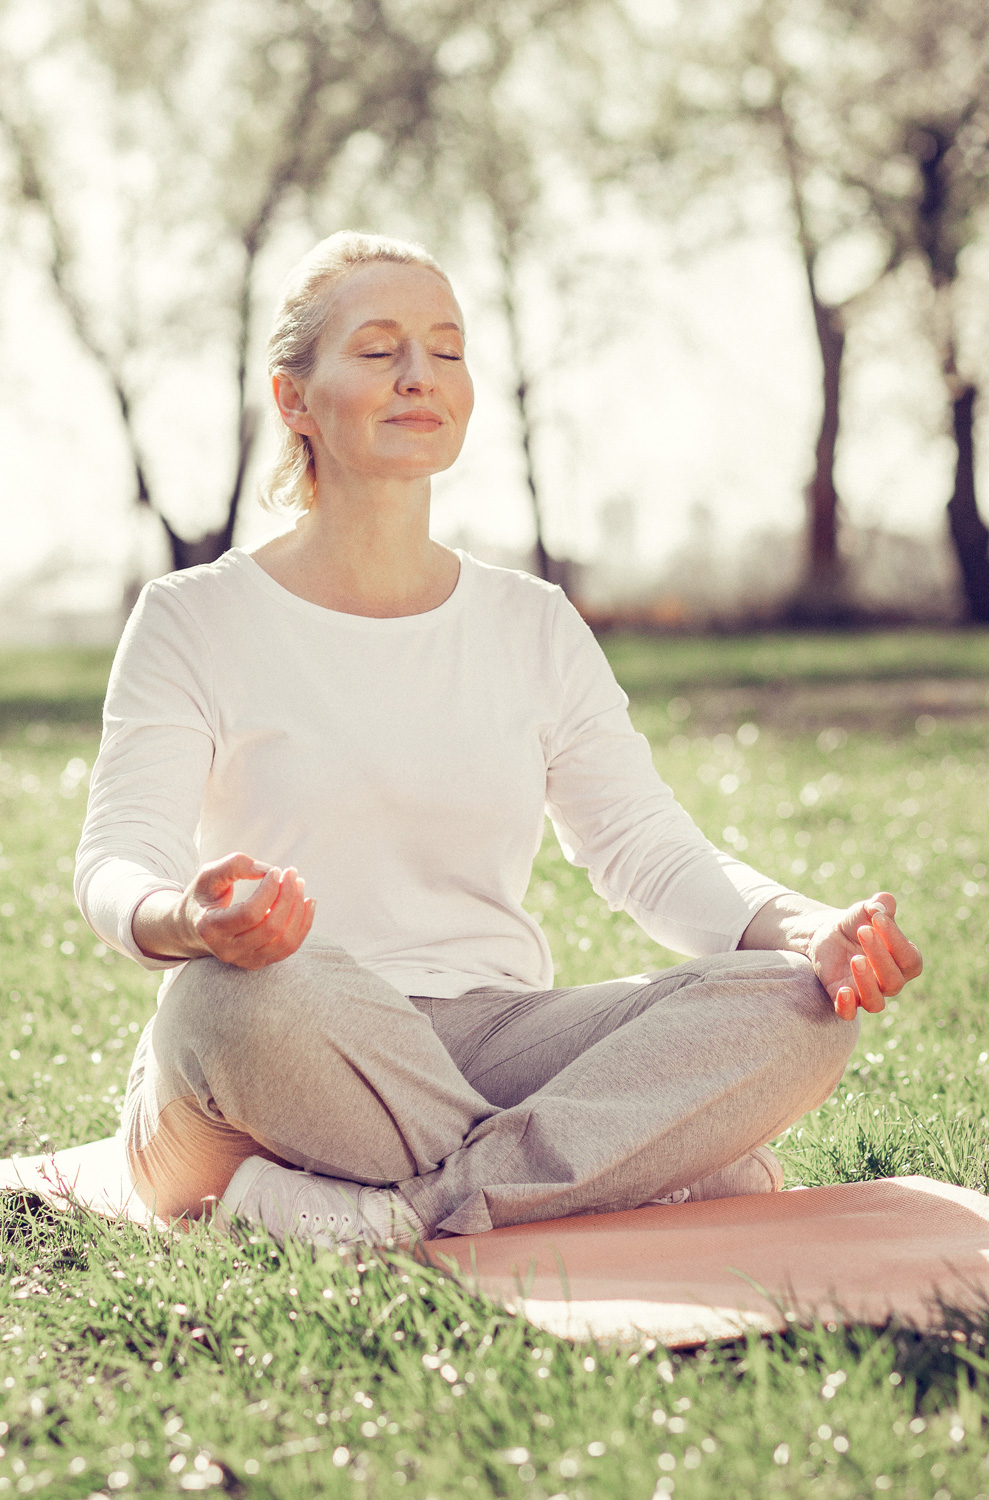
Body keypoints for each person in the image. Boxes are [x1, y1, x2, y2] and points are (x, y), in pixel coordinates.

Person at [76, 231, 923, 1250]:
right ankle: (618, 1174)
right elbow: (117, 858)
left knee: (797, 1006)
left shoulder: (530, 623)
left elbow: (642, 845)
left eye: (446, 348)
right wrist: (189, 921)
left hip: (496, 1037)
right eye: (379, 349)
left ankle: (403, 1209)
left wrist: (803, 929)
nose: (419, 376)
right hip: (298, 1027)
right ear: (294, 399)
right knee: (227, 1002)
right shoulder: (195, 617)